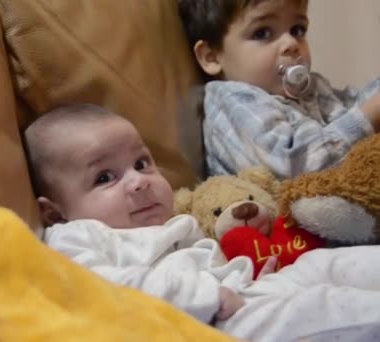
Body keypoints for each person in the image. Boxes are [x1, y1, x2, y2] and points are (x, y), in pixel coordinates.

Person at [25, 104, 380, 341]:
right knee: (315, 309)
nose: (139, 181)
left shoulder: (175, 224)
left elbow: (214, 264)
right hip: (204, 325)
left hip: (241, 293)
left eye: (142, 162)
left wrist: (250, 274)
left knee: (321, 263)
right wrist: (205, 296)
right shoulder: (76, 237)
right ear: (57, 213)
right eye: (104, 177)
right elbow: (105, 289)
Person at [178, 0, 380, 179]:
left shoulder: (311, 88)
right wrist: (367, 116)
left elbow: (355, 105)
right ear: (211, 57)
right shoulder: (233, 101)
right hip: (278, 218)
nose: (291, 43)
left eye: (297, 30)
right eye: (262, 33)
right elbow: (293, 165)